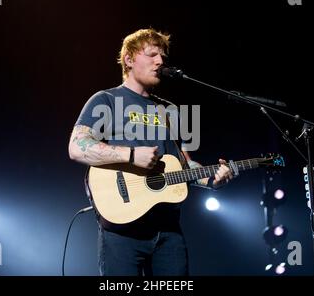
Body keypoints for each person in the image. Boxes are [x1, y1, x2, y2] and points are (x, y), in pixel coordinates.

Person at [68, 28, 234, 276]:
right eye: (152, 54)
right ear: (129, 59)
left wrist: (211, 179)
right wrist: (131, 156)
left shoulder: (171, 111)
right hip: (122, 231)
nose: (160, 61)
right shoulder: (106, 100)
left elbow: (184, 165)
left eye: (163, 57)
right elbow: (77, 147)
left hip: (168, 232)